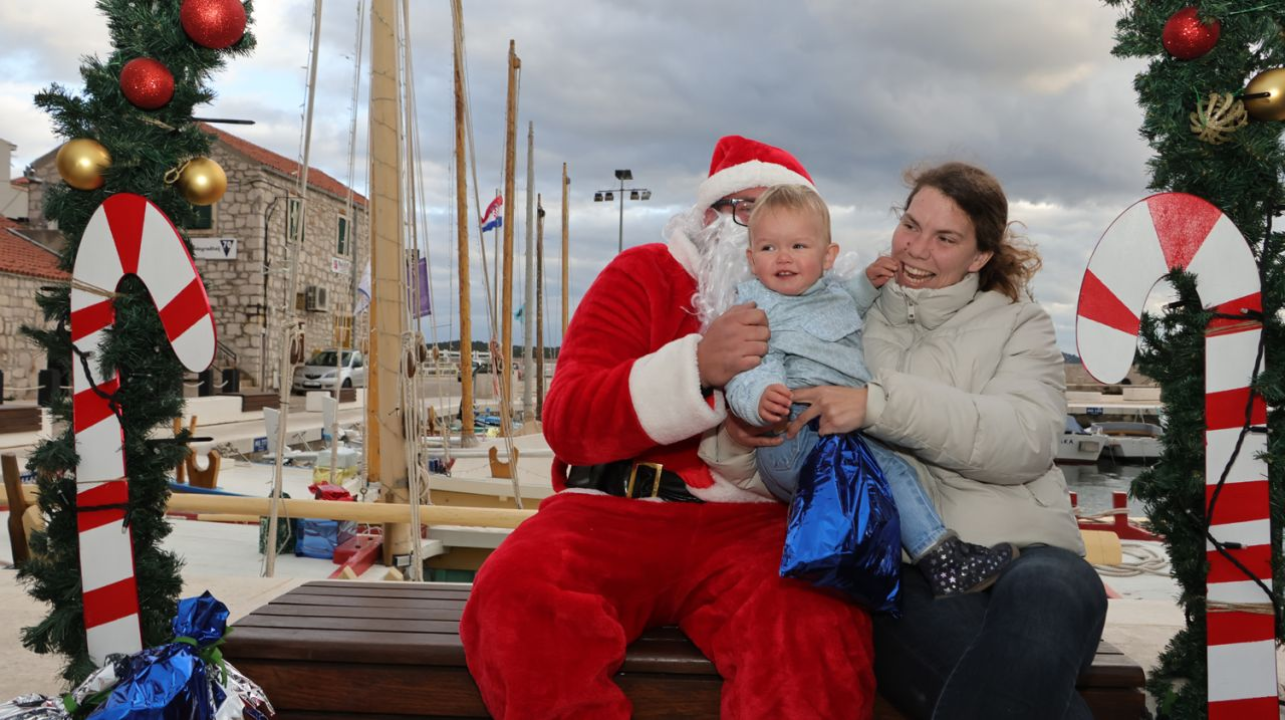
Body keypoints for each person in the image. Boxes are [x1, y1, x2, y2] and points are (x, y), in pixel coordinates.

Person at [459, 136, 877, 719]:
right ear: (706, 217)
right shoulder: (642, 274)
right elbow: (568, 419)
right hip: (612, 513)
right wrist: (697, 369)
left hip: (751, 525)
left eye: (779, 213)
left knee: (815, 628)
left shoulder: (828, 309)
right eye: (742, 210)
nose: (758, 229)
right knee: (518, 595)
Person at [707, 161, 1107, 719]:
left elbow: (1026, 441)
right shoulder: (840, 319)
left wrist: (878, 406)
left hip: (1031, 550)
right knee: (1027, 695)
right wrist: (741, 432)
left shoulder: (1022, 324)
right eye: (911, 225)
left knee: (1050, 592)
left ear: (980, 257)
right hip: (910, 567)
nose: (917, 249)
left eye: (945, 238)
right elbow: (791, 460)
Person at [722, 183, 1017, 597]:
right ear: (752, 260)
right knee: (889, 471)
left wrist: (868, 284)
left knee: (888, 472)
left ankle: (938, 556)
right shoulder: (757, 307)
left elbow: (844, 309)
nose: (784, 257)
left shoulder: (829, 293)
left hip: (829, 428)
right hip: (792, 432)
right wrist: (759, 396)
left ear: (828, 257)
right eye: (769, 249)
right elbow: (750, 367)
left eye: (798, 246)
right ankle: (941, 558)